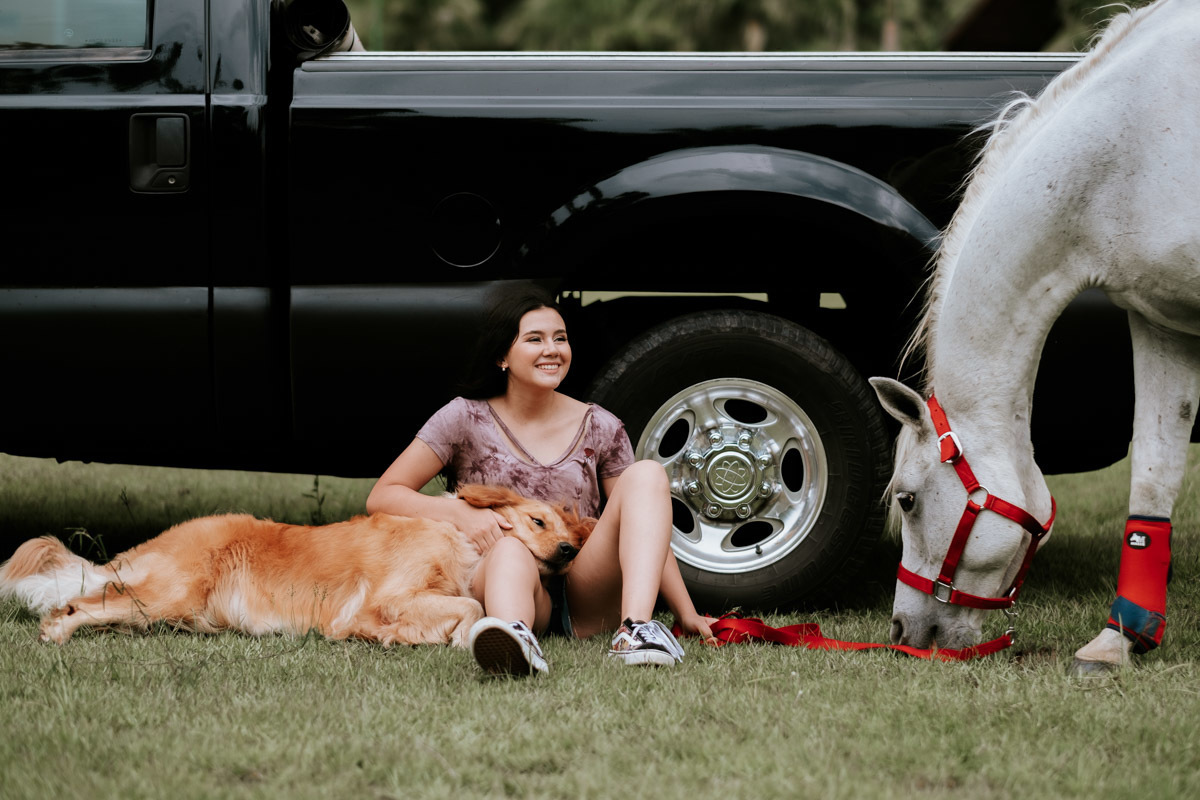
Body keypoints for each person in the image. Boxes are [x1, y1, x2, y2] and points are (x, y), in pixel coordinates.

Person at [366, 284, 716, 676]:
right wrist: (462, 514)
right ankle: (514, 637)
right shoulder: (464, 417)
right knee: (511, 549)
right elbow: (384, 495)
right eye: (535, 339)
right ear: (502, 355)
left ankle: (635, 630)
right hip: (500, 575)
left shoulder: (601, 425)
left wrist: (685, 611)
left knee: (647, 474)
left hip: (584, 586)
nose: (552, 350)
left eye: (560, 339)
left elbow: (644, 524)